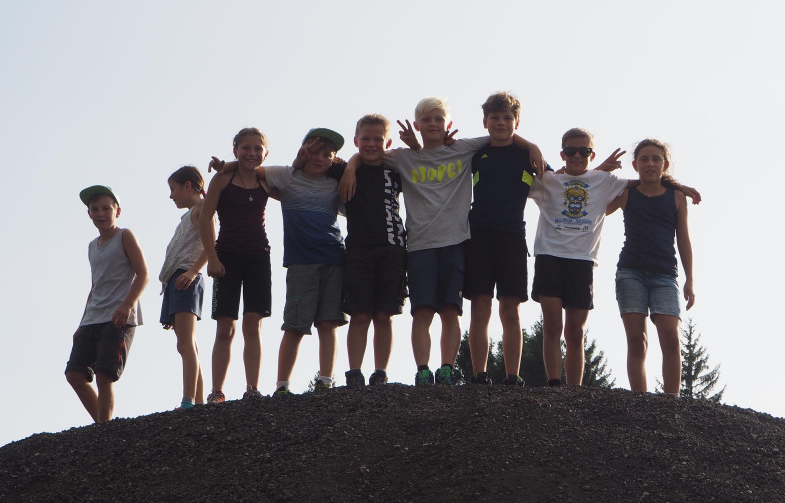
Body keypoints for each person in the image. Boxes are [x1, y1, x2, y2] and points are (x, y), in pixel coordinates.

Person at [339, 97, 544, 385]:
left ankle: (447, 368)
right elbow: (369, 153)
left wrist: (532, 146)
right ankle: (423, 369)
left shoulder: (463, 148)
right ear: (417, 125)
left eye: (438, 119)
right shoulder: (404, 157)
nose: (433, 124)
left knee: (451, 310)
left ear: (448, 124)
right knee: (422, 311)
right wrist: (350, 167)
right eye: (427, 120)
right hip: (419, 245)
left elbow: (501, 135)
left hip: (456, 242)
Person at [214, 128, 348, 392]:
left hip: (334, 257)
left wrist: (349, 168)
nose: (320, 158)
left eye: (327, 154)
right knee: (295, 324)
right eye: (314, 151)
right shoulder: (286, 176)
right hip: (300, 261)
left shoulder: (335, 184)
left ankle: (326, 381)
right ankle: (283, 385)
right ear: (303, 151)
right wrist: (226, 166)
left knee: (329, 322)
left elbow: (353, 199)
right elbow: (252, 168)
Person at [529, 129, 626, 386]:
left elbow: (642, 184)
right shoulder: (548, 180)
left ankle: (574, 391)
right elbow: (517, 183)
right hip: (549, 257)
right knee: (552, 326)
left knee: (575, 331)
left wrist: (680, 187)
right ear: (562, 154)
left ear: (592, 154)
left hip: (583, 260)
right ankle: (554, 383)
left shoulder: (604, 180)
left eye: (584, 151)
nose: (577, 156)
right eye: (571, 151)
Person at [612, 139, 695, 395]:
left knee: (670, 337)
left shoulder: (677, 197)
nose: (650, 164)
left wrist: (690, 279)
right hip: (630, 272)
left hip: (665, 275)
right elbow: (596, 208)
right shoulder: (626, 193)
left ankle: (671, 401)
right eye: (644, 159)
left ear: (665, 165)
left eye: (656, 159)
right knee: (637, 340)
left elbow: (684, 239)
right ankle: (641, 400)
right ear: (635, 165)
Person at [199, 128, 274, 403]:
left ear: (265, 153)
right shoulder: (222, 179)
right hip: (227, 256)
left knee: (253, 324)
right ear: (235, 151)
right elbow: (204, 218)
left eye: (257, 148)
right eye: (246, 148)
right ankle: (217, 391)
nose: (252, 153)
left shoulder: (266, 180)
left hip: (258, 256)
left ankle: (252, 388)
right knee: (225, 326)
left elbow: (294, 180)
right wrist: (212, 257)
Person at [65, 185, 149, 422]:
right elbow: (95, 287)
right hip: (93, 318)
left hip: (118, 317)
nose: (100, 213)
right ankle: (104, 426)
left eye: (106, 208)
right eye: (95, 209)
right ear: (89, 214)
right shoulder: (92, 246)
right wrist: (81, 323)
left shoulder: (125, 236)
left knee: (104, 375)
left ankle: (105, 430)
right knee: (74, 373)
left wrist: (127, 305)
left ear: (117, 211)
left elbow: (143, 274)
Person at [465, 92, 532, 386]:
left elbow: (559, 183)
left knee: (510, 308)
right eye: (495, 117)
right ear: (485, 121)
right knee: (480, 305)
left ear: (517, 122)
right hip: (478, 235)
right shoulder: (476, 153)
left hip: (512, 236)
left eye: (507, 118)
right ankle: (479, 374)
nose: (501, 123)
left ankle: (512, 376)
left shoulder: (528, 156)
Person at [340, 115, 407, 387]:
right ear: (356, 140)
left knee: (384, 314)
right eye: (365, 139)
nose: (371, 144)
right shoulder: (344, 170)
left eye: (378, 139)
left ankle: (380, 372)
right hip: (358, 249)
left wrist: (352, 163)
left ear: (387, 142)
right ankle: (354, 372)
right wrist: (350, 166)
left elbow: (423, 158)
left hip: (393, 247)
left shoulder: (397, 170)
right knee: (359, 314)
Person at [159, 166, 210, 409]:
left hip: (186, 276)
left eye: (173, 189)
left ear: (188, 186)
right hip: (176, 280)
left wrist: (192, 272)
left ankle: (188, 401)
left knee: (186, 343)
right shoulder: (189, 215)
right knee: (187, 343)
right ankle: (197, 402)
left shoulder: (202, 208)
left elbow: (212, 244)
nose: (171, 195)